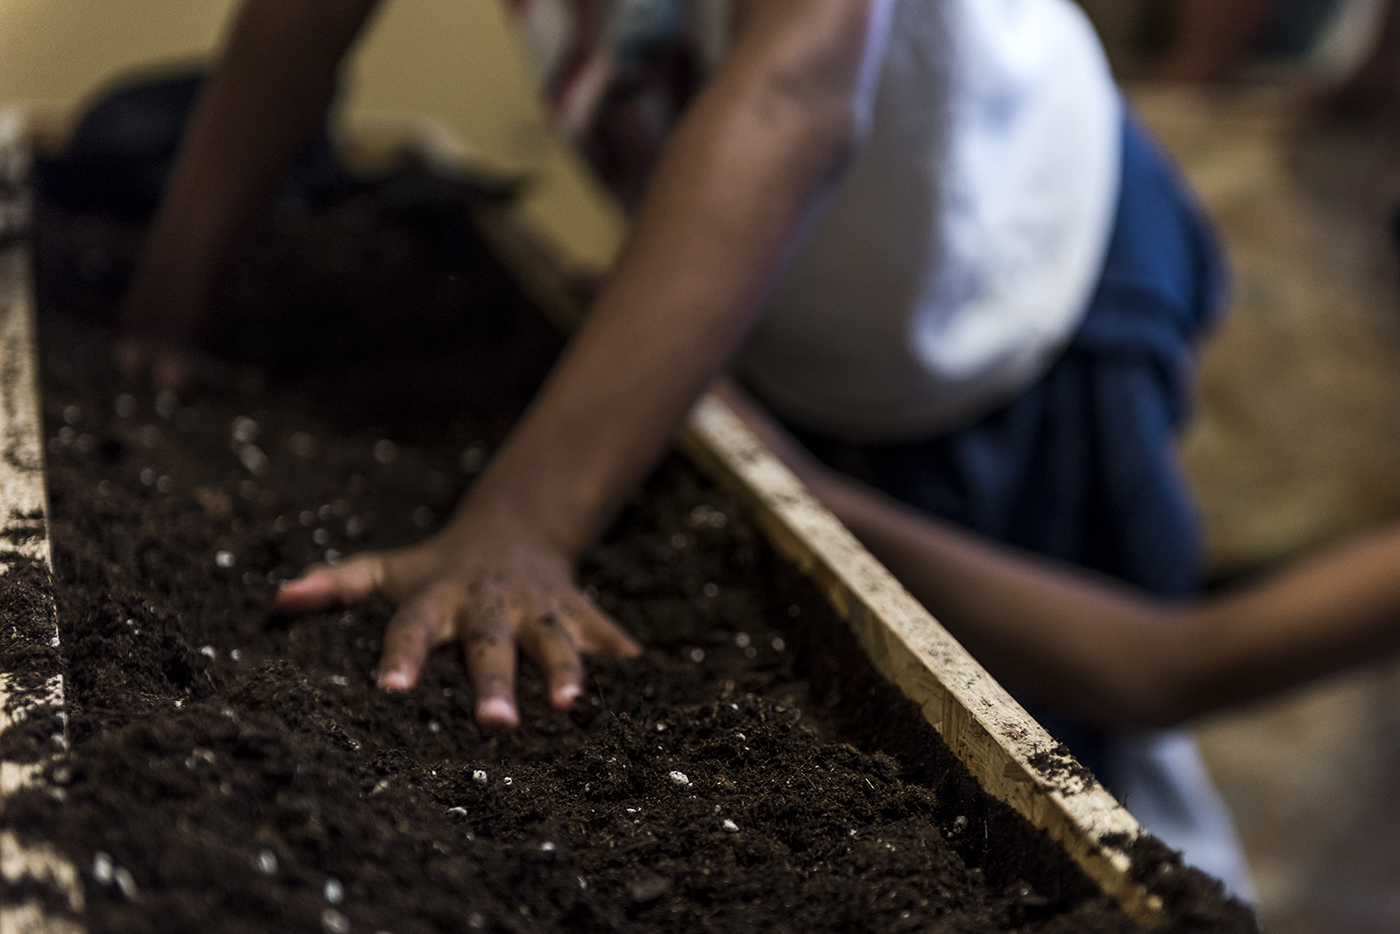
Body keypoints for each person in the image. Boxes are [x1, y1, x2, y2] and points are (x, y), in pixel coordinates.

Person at [113, 0, 1253, 895]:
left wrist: (522, 522)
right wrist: (165, 318)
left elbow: (797, 87)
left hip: (1011, 308)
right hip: (788, 308)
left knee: (1048, 771)